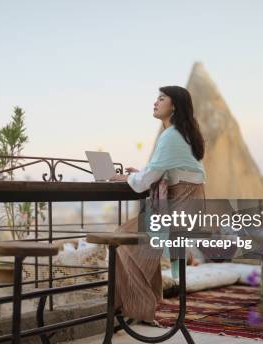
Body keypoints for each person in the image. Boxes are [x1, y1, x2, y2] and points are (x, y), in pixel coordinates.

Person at [108, 85, 206, 322]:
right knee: (139, 245)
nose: (155, 102)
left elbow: (146, 181)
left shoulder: (171, 135)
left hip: (181, 203)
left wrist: (128, 177)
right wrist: (142, 173)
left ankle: (137, 307)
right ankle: (142, 307)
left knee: (121, 240)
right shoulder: (183, 133)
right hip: (189, 202)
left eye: (161, 99)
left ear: (173, 106)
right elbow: (165, 171)